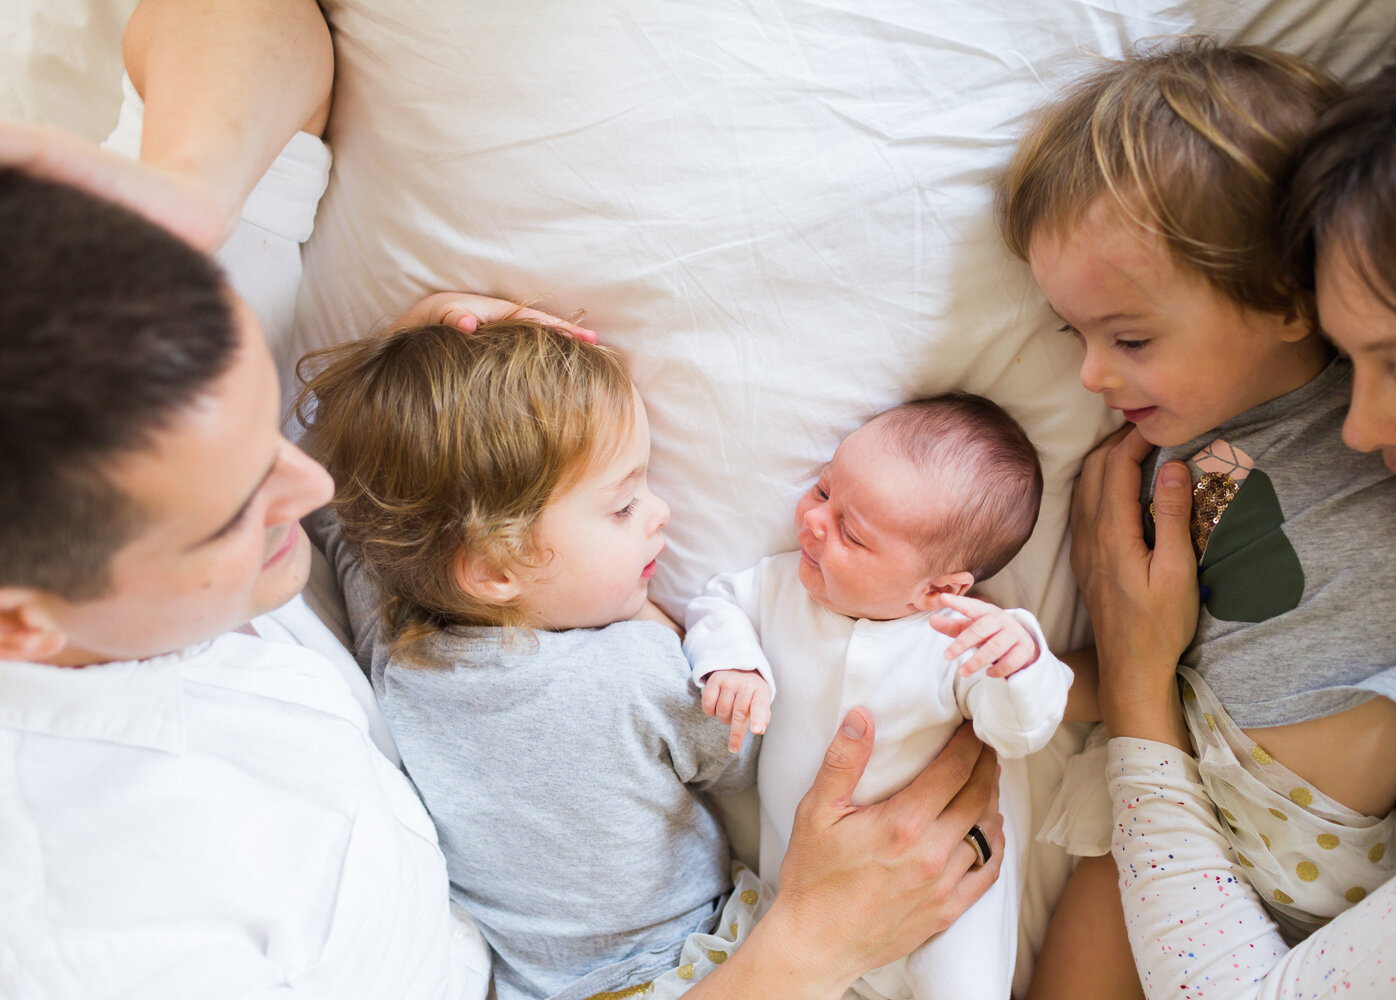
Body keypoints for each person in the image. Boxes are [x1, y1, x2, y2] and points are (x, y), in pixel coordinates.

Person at [0, 158, 1006, 999]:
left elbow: (259, 23)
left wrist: (411, 378)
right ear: (25, 626)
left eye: (269, 430)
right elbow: (719, 751)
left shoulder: (314, 550)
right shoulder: (103, 934)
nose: (310, 483)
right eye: (232, 506)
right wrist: (802, 953)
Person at [998, 38, 1396, 997]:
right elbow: (1170, 650)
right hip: (1187, 795)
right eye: (1077, 336)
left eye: (1132, 338)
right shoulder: (1168, 461)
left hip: (1323, 865)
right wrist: (1013, 678)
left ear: (1286, 297)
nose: (1092, 377)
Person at [298, 309, 776, 999]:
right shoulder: (635, 671)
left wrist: (410, 367)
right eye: (622, 506)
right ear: (494, 571)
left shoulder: (399, 653)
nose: (659, 512)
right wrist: (657, 620)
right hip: (681, 968)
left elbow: (343, 510)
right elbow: (739, 763)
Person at [683, 393, 1071, 1000]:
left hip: (945, 887)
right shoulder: (782, 585)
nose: (815, 521)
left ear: (937, 588)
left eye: (852, 534)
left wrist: (1020, 662)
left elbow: (1019, 731)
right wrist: (735, 663)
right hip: (802, 884)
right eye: (823, 490)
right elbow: (716, 603)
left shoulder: (962, 640)